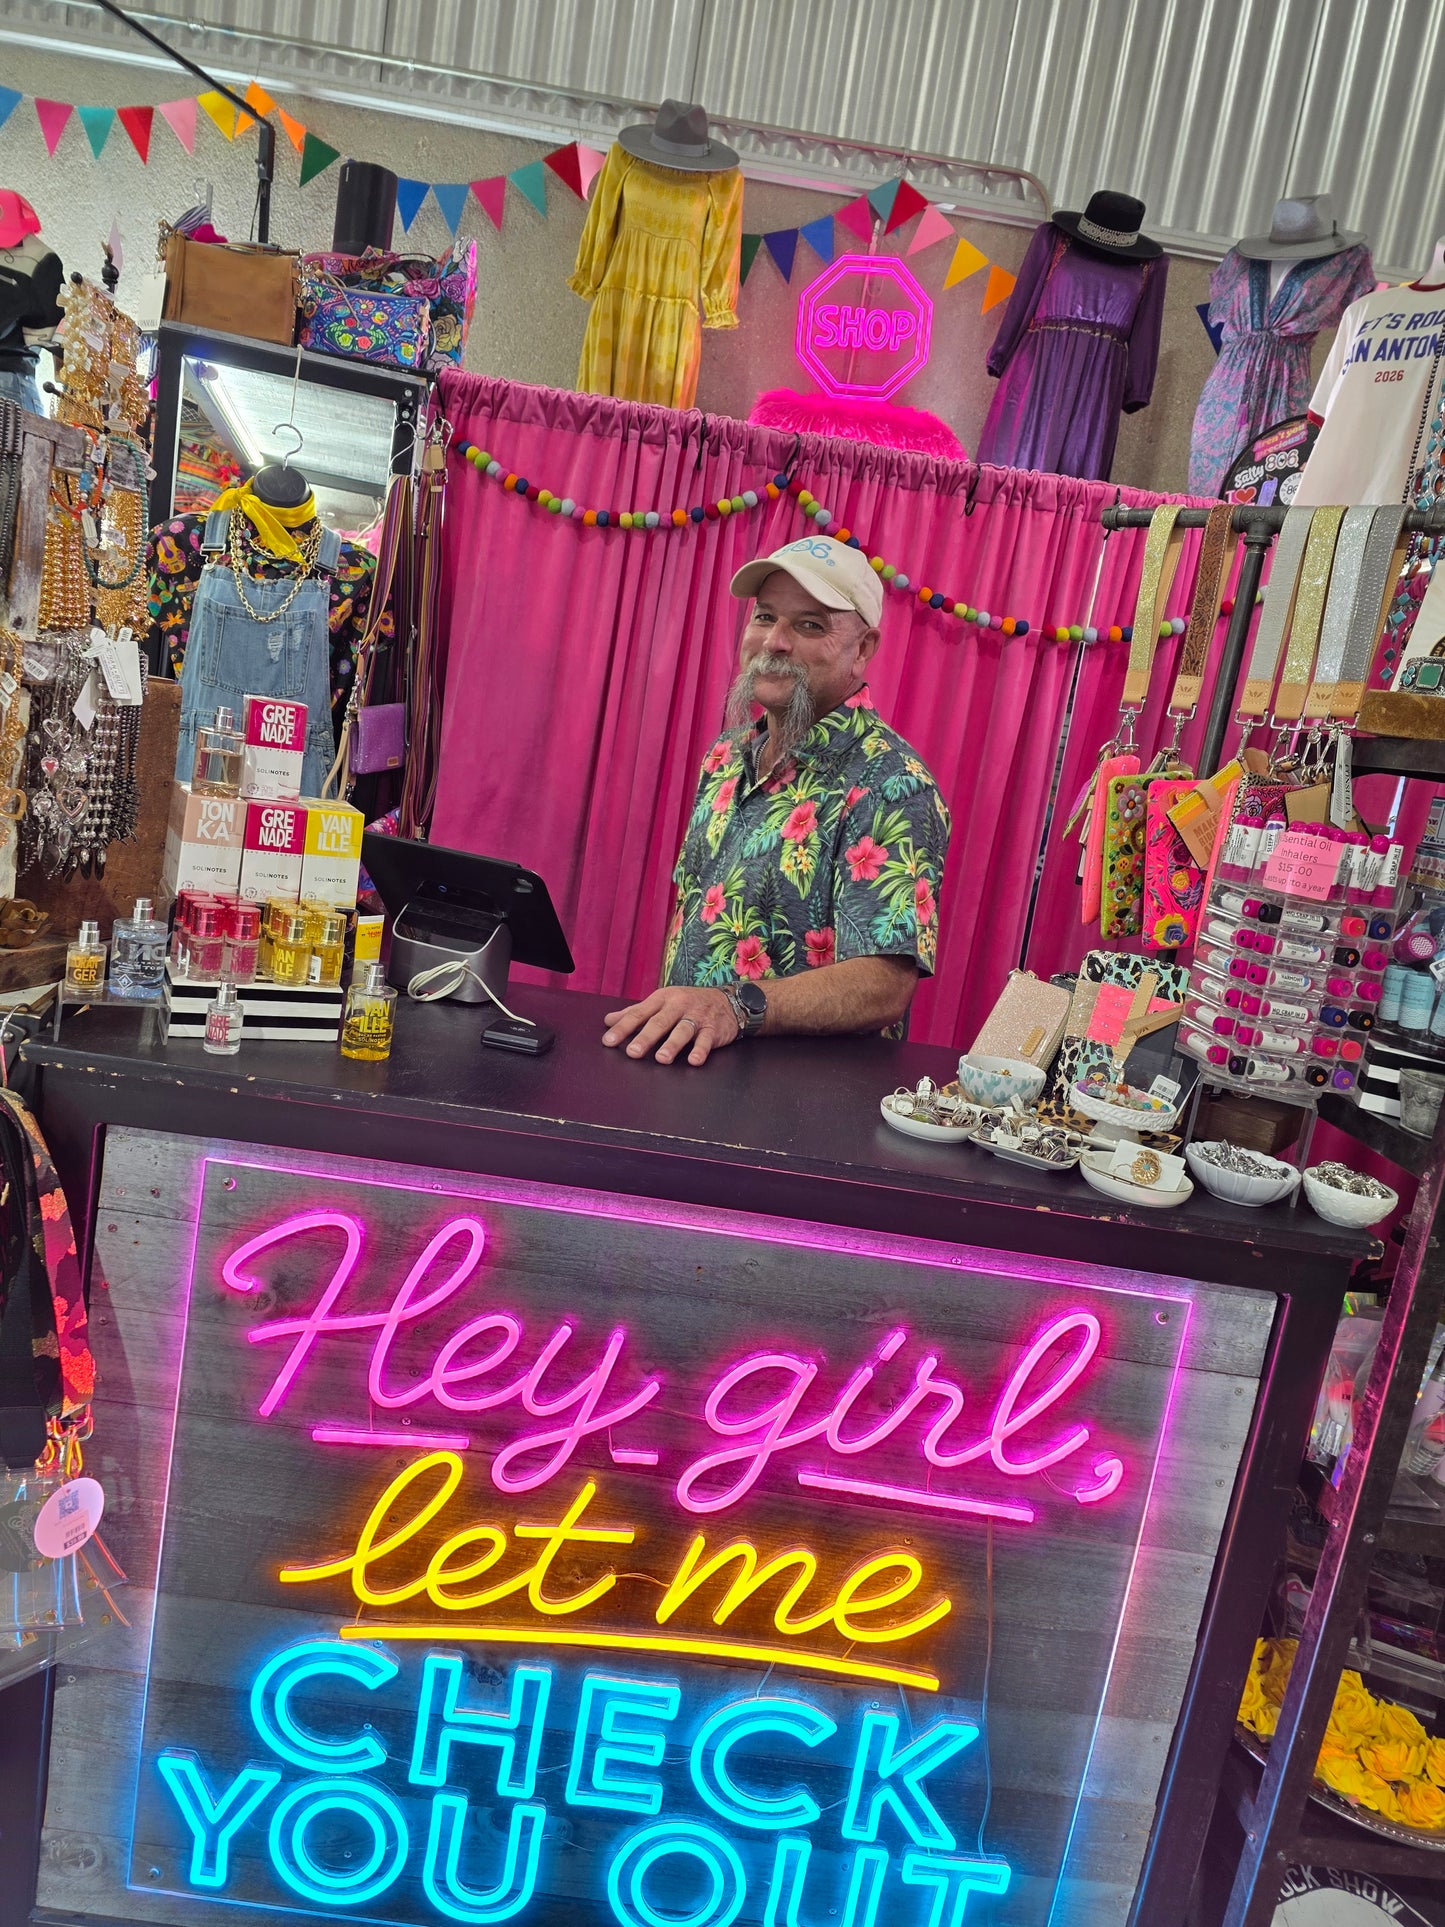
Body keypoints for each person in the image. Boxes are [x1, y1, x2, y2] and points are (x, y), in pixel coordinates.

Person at [603, 534, 951, 1067]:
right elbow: (693, 927)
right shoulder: (725, 755)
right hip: (689, 1074)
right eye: (765, 617)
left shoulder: (891, 782)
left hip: (797, 1110)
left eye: (809, 625)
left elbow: (885, 984)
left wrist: (732, 1009)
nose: (774, 642)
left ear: (863, 649)